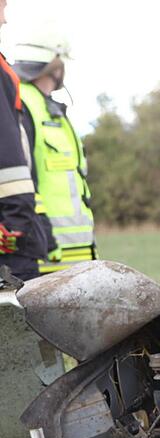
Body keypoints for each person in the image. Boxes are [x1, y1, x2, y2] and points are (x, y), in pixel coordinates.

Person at [11, 34, 96, 274]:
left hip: (76, 255)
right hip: (48, 255)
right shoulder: (24, 104)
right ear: (55, 63)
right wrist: (44, 233)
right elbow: (22, 178)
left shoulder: (49, 107)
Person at [0, 0, 49, 281]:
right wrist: (16, 229)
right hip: (9, 243)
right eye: (2, 6)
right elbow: (9, 162)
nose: (4, 17)